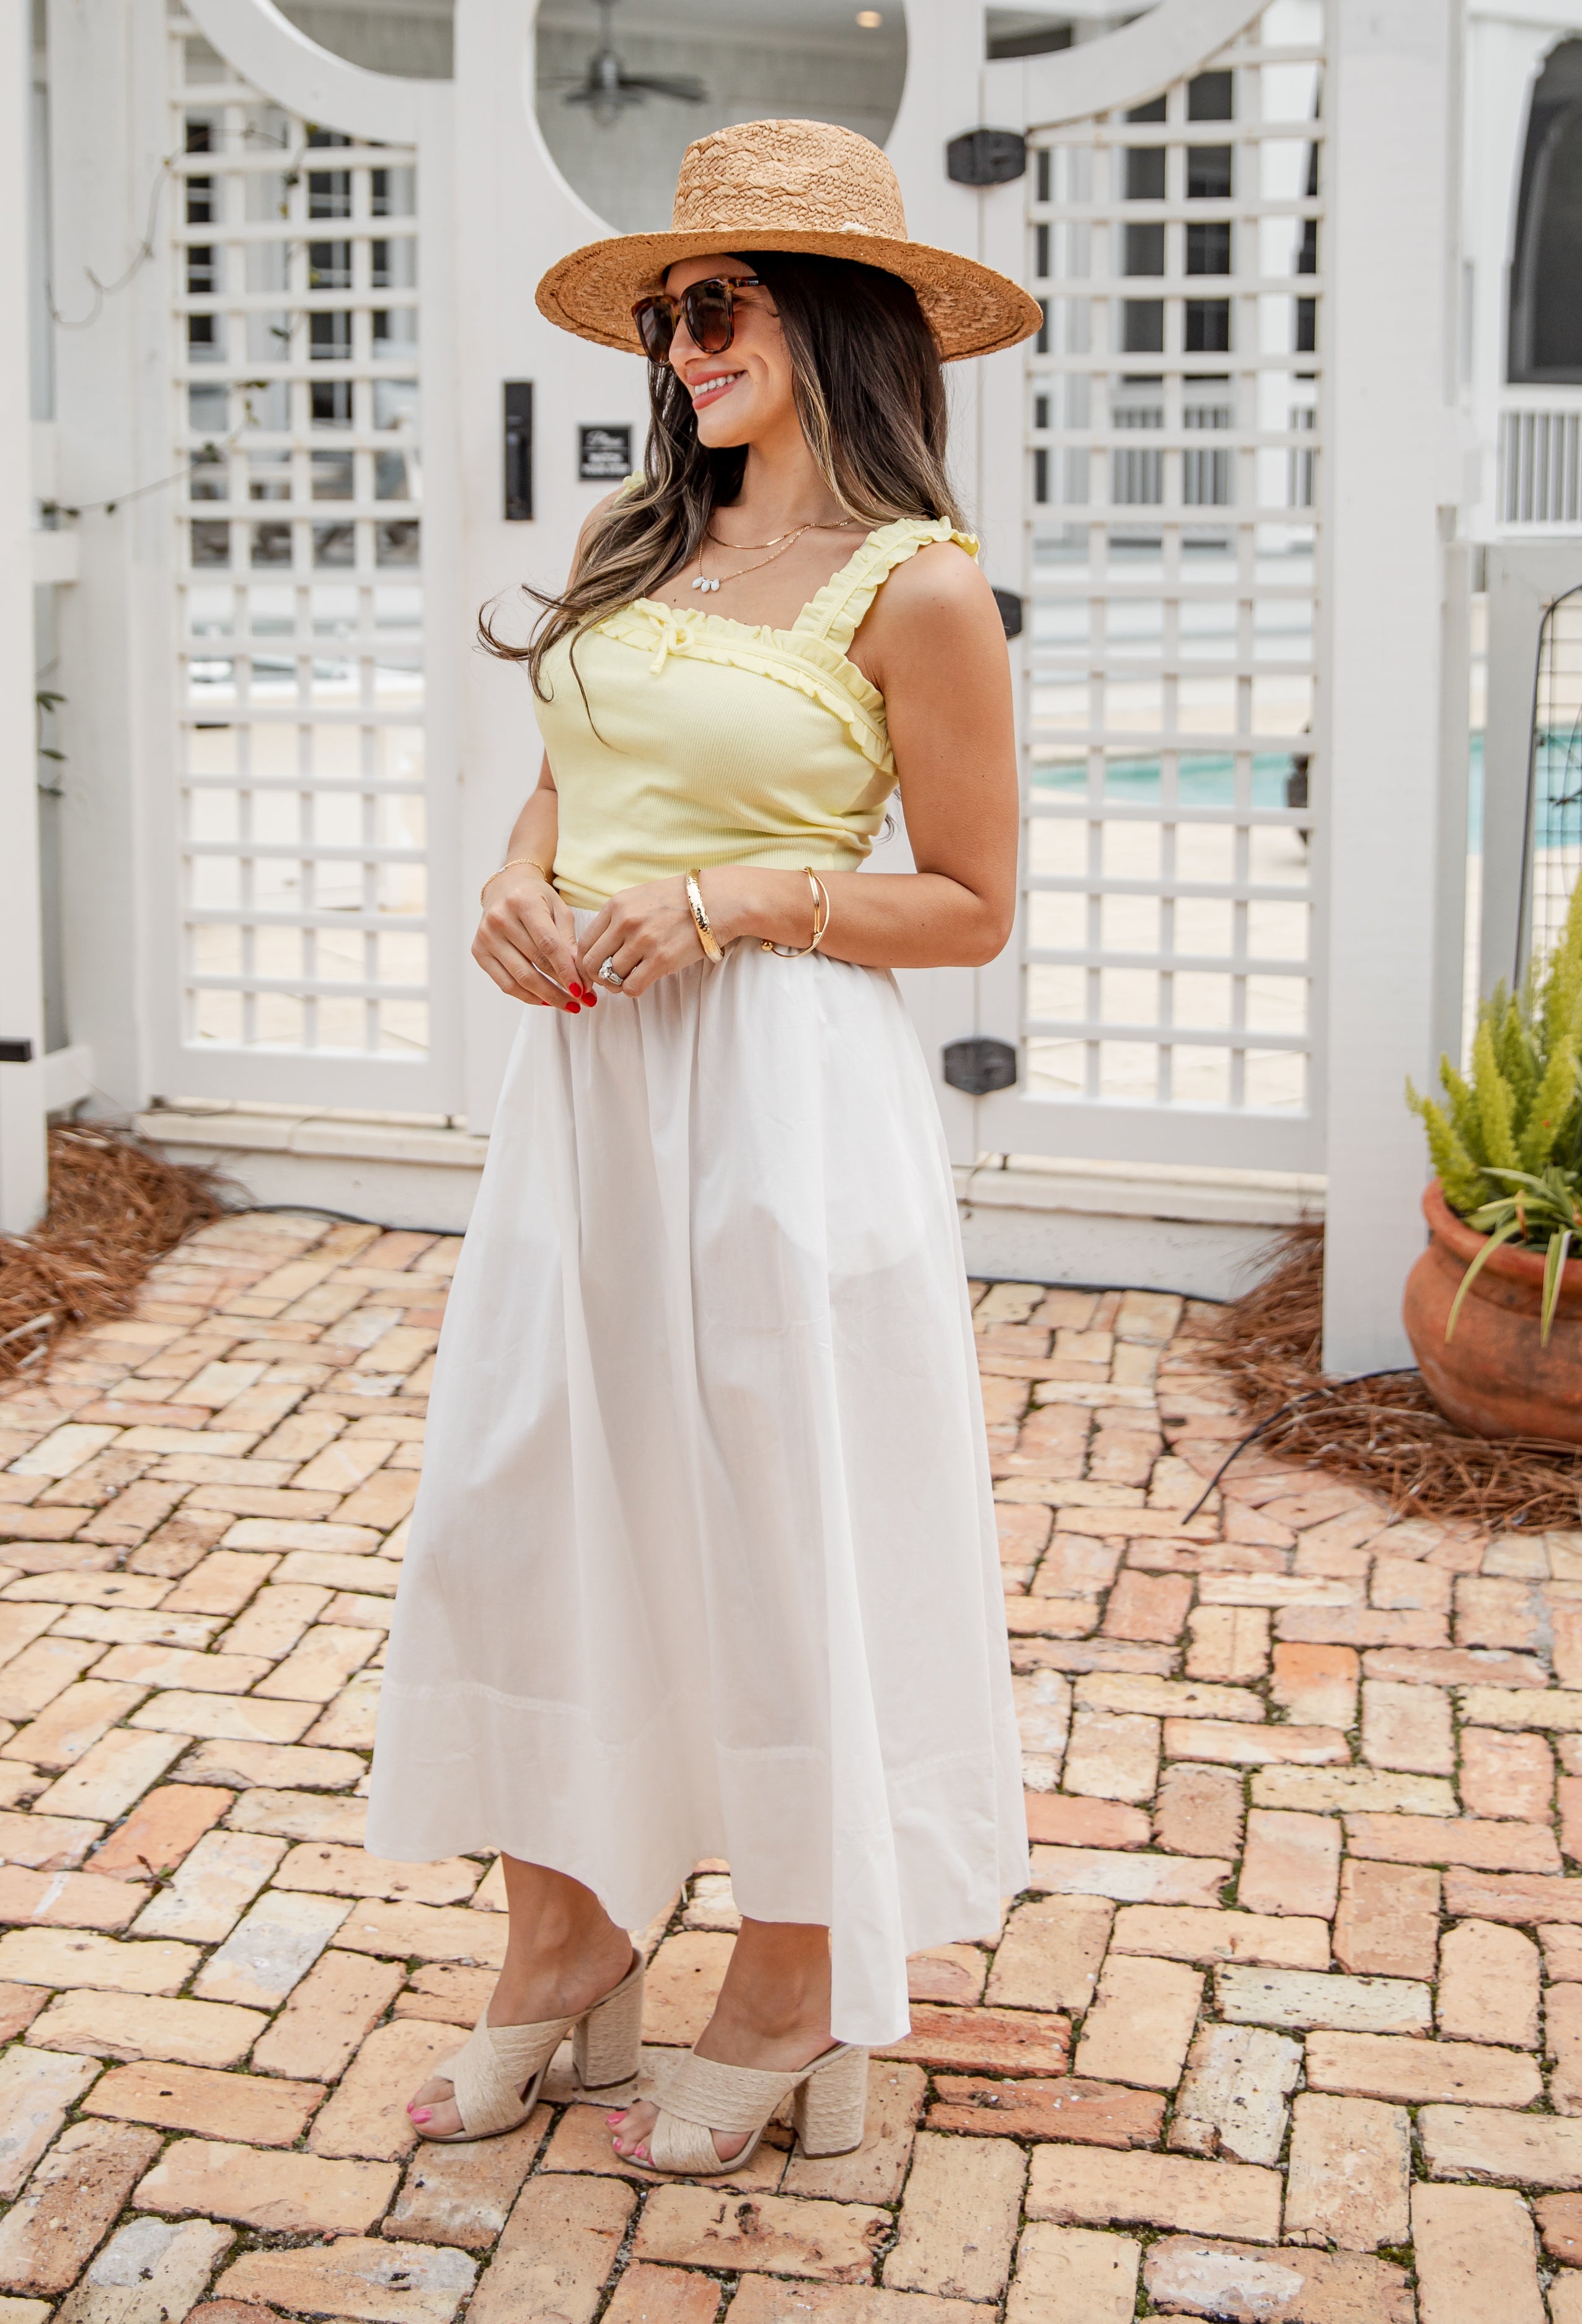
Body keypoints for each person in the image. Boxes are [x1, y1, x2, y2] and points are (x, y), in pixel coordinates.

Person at [367, 118, 1040, 2176]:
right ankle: (561, 1934)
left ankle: (799, 1970)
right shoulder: (630, 550)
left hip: (780, 1098)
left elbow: (970, 903)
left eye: (715, 305)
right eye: (665, 317)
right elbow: (569, 787)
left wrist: (741, 899)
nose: (679, 348)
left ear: (828, 319)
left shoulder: (916, 589)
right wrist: (509, 885)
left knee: (774, 1512)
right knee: (537, 1493)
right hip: (588, 1091)